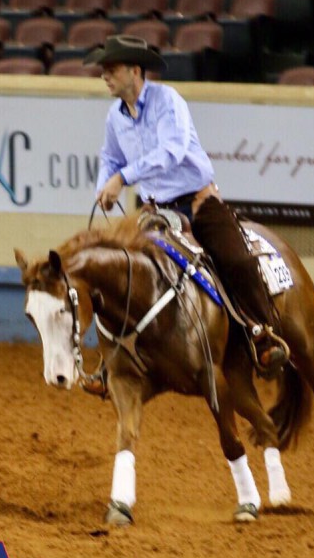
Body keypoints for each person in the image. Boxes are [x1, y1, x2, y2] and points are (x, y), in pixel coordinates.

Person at [84, 34, 289, 377]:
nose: (104, 75)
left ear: (136, 71)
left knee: (235, 258)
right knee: (127, 271)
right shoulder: (115, 117)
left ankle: (262, 333)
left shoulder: (168, 101)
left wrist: (123, 179)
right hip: (156, 210)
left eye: (112, 69)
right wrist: (104, 183)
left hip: (199, 203)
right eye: (103, 70)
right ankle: (115, 360)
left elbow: (172, 151)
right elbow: (110, 156)